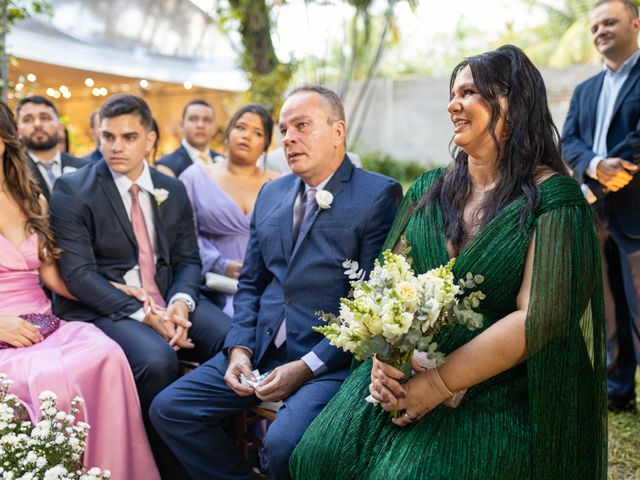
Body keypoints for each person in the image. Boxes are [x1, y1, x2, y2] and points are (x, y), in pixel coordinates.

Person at [290, 45, 606, 480]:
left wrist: (437, 386)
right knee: (317, 456)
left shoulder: (554, 201)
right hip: (403, 372)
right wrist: (384, 362)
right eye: (453, 93)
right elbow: (388, 285)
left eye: (470, 92)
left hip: (494, 388)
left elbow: (537, 317)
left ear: (514, 102)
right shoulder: (427, 190)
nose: (453, 104)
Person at [149, 84, 402, 480]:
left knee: (283, 447)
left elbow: (368, 305)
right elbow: (251, 284)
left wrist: (306, 366)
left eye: (302, 125)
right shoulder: (272, 192)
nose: (289, 138)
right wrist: (238, 350)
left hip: (325, 360)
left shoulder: (377, 195)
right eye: (284, 129)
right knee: (171, 409)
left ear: (338, 132)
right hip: (260, 350)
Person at [48, 94, 232, 479]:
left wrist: (180, 303)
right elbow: (78, 274)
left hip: (168, 297)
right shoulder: (72, 189)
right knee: (156, 359)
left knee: (232, 339)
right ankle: (168, 469)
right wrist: (148, 316)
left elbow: (187, 261)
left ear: (150, 140)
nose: (116, 147)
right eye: (108, 136)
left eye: (128, 137)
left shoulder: (172, 188)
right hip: (108, 305)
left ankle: (217, 456)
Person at [0, 99, 160, 479]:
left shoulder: (30, 197)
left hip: (44, 323)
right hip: (4, 331)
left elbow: (57, 278)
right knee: (37, 378)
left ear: (3, 140)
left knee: (105, 353)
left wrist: (119, 289)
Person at [562, 0, 640, 413]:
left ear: (635, 23)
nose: (601, 31)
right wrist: (594, 166)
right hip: (596, 217)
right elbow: (568, 141)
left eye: (610, 22)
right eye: (595, 27)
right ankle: (618, 389)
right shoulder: (584, 89)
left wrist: (602, 177)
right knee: (610, 308)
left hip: (636, 214)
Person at [179, 103, 279, 316]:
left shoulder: (280, 183)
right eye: (240, 127)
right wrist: (220, 264)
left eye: (257, 132)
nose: (246, 136)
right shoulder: (195, 176)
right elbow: (182, 235)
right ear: (228, 133)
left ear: (266, 145)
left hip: (268, 284)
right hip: (214, 284)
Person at [16, 96, 88, 200]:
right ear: (18, 131)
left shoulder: (84, 169)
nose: (37, 124)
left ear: (60, 127)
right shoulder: (12, 172)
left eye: (44, 118)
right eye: (28, 119)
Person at [156, 99, 222, 177]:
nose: (200, 125)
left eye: (206, 120)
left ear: (214, 127)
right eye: (193, 119)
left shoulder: (223, 161)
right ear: (182, 125)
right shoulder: (167, 165)